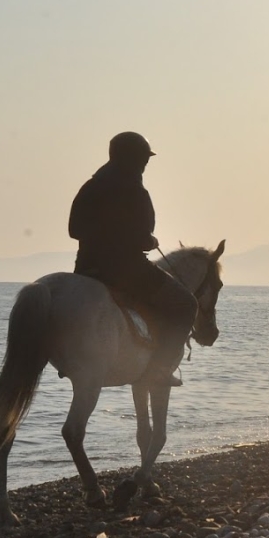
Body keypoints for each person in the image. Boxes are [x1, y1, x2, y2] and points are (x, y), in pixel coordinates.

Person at [69, 132, 198, 386]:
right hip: (127, 271)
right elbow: (142, 238)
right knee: (186, 305)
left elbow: (74, 230)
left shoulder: (90, 187)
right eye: (143, 159)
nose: (145, 164)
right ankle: (160, 370)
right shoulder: (136, 191)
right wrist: (150, 242)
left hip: (86, 269)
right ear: (132, 159)